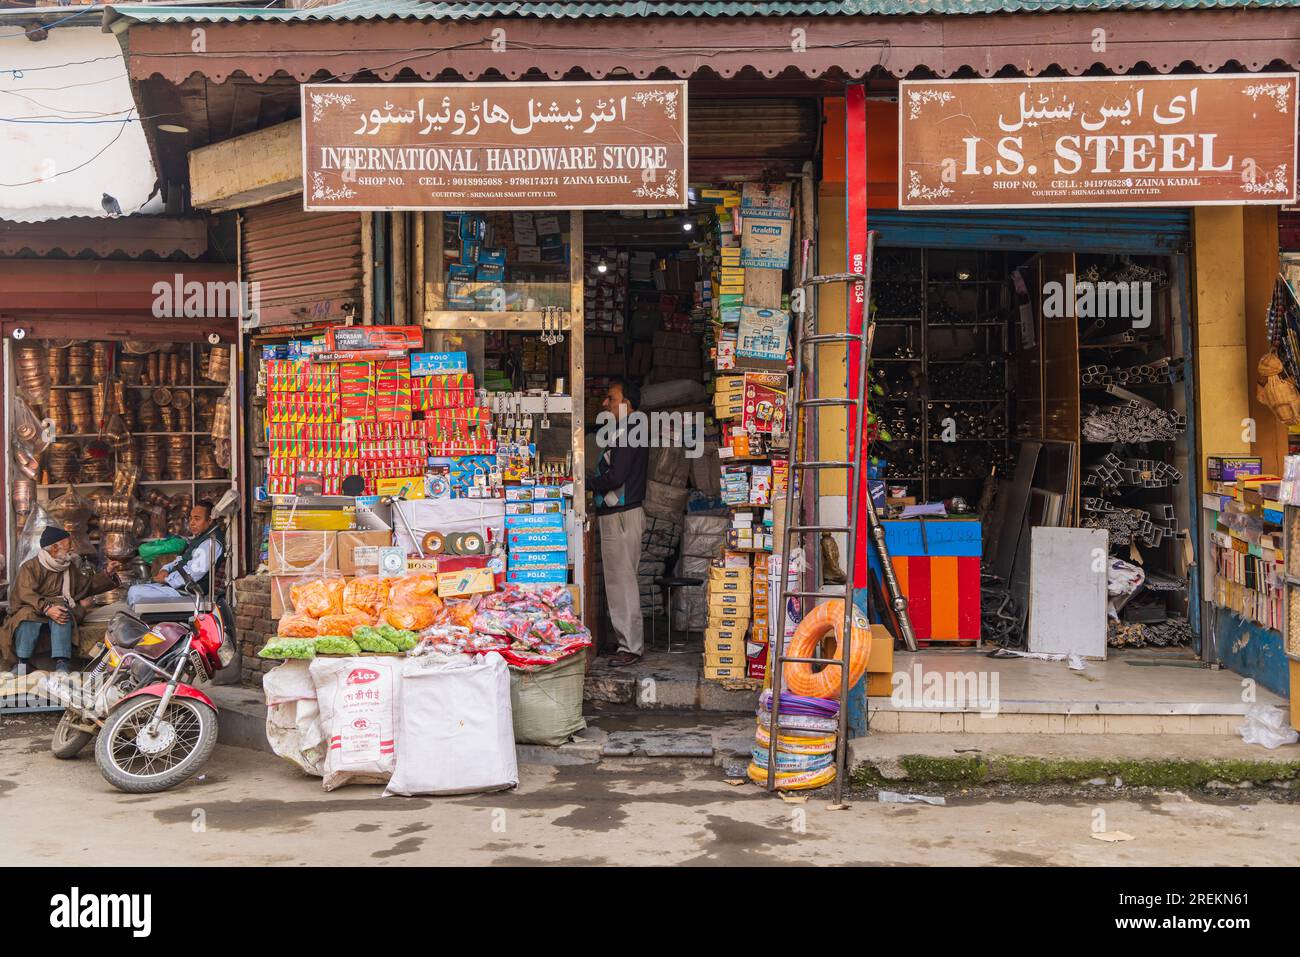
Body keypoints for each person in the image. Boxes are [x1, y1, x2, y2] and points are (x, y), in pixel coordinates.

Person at [1, 527, 122, 676]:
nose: (72, 547)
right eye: (68, 544)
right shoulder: (30, 566)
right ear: (54, 548)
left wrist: (107, 573)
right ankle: (22, 663)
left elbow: (85, 585)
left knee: (62, 614)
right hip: (33, 607)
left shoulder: (68, 567)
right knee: (27, 619)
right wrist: (47, 608)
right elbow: (26, 593)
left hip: (58, 606)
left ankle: (62, 665)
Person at [588, 378, 649, 667]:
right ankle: (626, 640)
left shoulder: (630, 429)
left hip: (622, 515)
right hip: (621, 514)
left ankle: (630, 647)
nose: (605, 403)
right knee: (620, 580)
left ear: (626, 403)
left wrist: (587, 482)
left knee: (622, 582)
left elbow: (616, 477)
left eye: (610, 398)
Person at [127, 500, 225, 606]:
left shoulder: (210, 542)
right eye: (191, 518)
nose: (191, 523)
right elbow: (182, 560)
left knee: (136, 593)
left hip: (187, 594)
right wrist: (166, 569)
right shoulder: (201, 537)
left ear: (209, 520)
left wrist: (166, 579)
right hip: (177, 587)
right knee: (135, 589)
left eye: (197, 519)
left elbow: (193, 575)